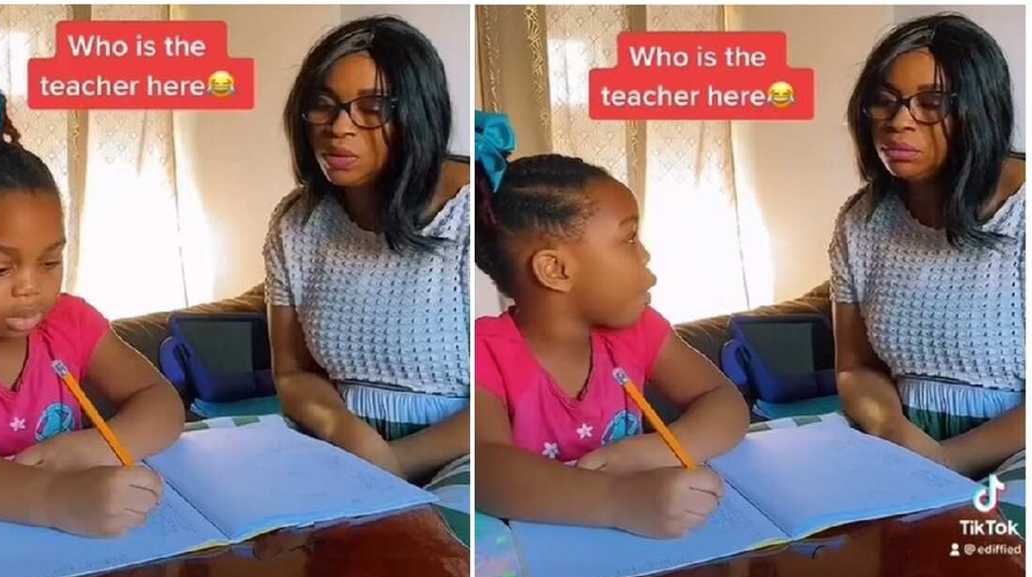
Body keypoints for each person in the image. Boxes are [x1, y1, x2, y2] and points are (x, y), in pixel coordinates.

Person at [0, 59, 185, 537]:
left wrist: (93, 448)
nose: (30, 286)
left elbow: (162, 402)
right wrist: (53, 498)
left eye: (49, 262)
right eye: (0, 268)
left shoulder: (70, 323)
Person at [474, 112, 749, 538]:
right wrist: (620, 501)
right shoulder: (487, 351)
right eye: (629, 238)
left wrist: (651, 453)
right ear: (556, 270)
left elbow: (724, 402)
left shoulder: (638, 330)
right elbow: (487, 469)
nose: (645, 256)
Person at [264, 17, 469, 482]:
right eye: (323, 106)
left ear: (417, 115)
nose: (338, 128)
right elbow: (293, 374)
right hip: (339, 440)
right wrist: (343, 430)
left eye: (372, 108)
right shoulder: (296, 223)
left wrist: (394, 462)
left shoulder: (475, 215)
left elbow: (508, 397)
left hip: (464, 452)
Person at [831, 13, 1025, 478]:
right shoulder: (861, 222)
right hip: (903, 437)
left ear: (978, 110)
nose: (898, 122)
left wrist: (945, 462)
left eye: (931, 103)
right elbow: (855, 366)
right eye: (885, 101)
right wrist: (891, 429)